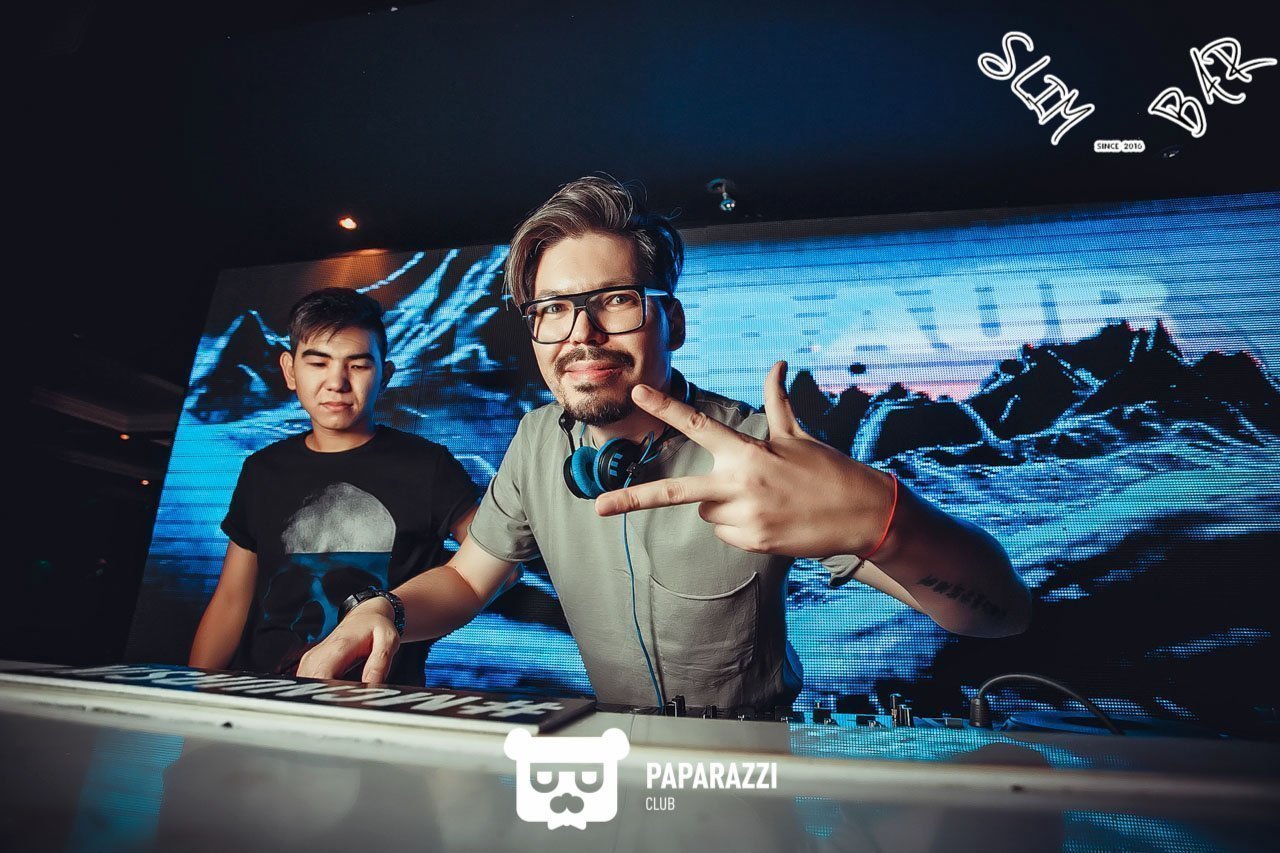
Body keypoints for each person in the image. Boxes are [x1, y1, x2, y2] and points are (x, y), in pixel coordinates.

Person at [298, 178, 1031, 710]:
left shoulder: (756, 451)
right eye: (553, 309)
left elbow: (998, 613)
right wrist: (386, 610)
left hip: (755, 765)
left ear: (671, 321)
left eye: (615, 300)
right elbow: (465, 582)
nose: (582, 335)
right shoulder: (535, 442)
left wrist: (881, 517)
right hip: (621, 760)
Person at [189, 287, 480, 685]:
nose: (337, 382)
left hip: (379, 698)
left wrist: (400, 611)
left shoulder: (429, 466)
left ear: (385, 375)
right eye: (318, 363)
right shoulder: (262, 469)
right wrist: (193, 691)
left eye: (357, 365)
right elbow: (231, 600)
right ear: (290, 370)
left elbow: (493, 564)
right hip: (260, 692)